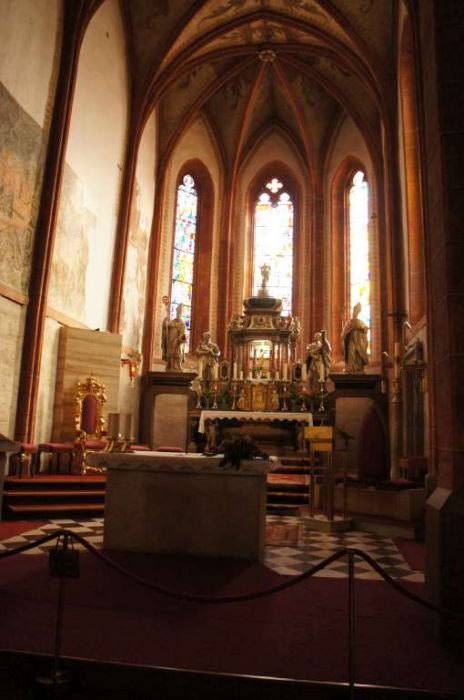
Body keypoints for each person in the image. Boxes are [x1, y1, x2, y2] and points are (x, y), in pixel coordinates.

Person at [341, 302, 369, 373]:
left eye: (356, 311)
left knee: (358, 354)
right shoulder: (349, 322)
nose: (354, 313)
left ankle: (358, 368)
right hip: (351, 341)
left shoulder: (360, 322)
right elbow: (343, 334)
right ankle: (350, 368)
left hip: (359, 342)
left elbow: (365, 329)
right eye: (354, 311)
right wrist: (346, 332)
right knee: (351, 353)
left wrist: (361, 329)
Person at [161, 300, 186, 371]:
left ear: (182, 313)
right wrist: (165, 322)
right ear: (176, 312)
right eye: (178, 311)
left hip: (178, 341)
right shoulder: (172, 322)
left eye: (180, 312)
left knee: (178, 353)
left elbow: (182, 333)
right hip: (170, 340)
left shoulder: (182, 324)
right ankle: (171, 366)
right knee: (171, 352)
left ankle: (179, 366)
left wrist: (178, 339)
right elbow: (165, 327)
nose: (179, 313)